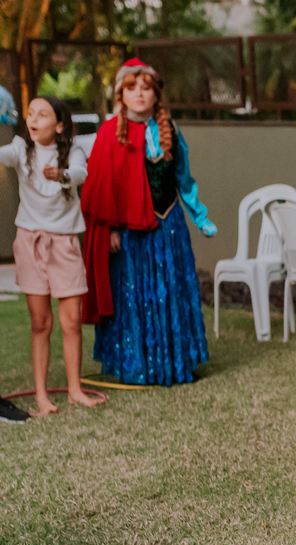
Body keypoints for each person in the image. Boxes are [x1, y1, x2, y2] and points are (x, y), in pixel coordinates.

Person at [82, 58, 217, 386]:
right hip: (131, 232)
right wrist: (111, 227)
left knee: (170, 290)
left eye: (146, 89)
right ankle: (136, 365)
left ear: (157, 95)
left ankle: (173, 363)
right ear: (121, 95)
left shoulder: (169, 130)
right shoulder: (109, 133)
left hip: (168, 226)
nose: (140, 94)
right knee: (134, 295)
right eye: (132, 88)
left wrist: (200, 216)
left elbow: (183, 178)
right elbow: (103, 185)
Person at [0, 96, 100, 415]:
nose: (33, 119)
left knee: (71, 321)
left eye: (42, 114)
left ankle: (74, 390)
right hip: (30, 241)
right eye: (30, 114)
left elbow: (81, 173)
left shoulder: (73, 152)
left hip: (65, 242)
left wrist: (62, 175)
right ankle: (42, 395)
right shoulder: (20, 150)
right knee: (41, 322)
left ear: (58, 125)